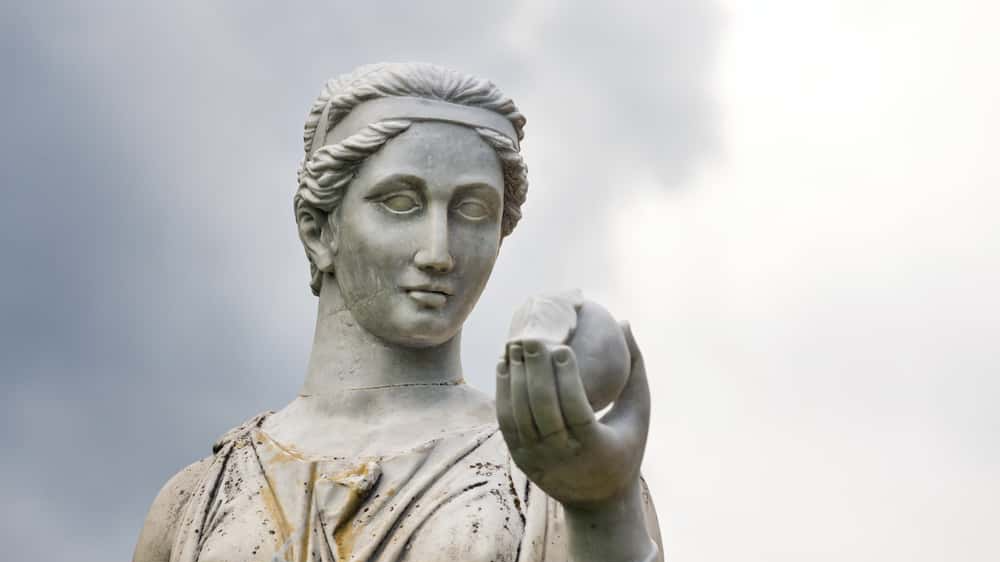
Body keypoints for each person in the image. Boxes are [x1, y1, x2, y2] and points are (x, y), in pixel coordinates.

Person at [132, 62, 662, 562]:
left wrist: (602, 510)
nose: (439, 252)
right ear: (319, 230)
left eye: (473, 211)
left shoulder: (556, 475)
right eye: (401, 204)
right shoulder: (195, 500)